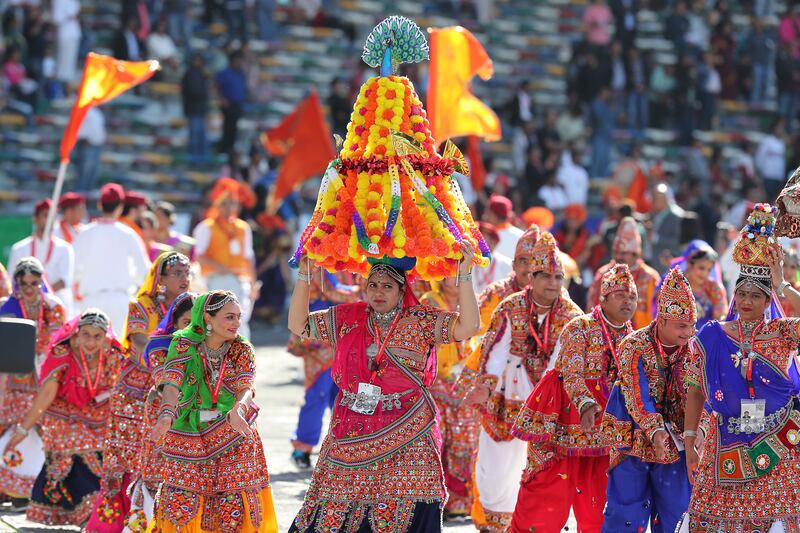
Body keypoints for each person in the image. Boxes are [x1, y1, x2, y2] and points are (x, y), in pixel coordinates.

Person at [286, 247, 480, 532]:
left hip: (409, 429)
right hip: (353, 427)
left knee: (409, 499)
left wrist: (465, 275)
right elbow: (299, 325)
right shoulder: (348, 317)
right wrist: (304, 275)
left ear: (402, 290)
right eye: (373, 285)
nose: (378, 292)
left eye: (387, 286)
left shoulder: (421, 320)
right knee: (338, 501)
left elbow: (468, 326)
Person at [680, 203, 800, 531]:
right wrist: (691, 438)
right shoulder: (713, 335)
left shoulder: (781, 332)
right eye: (742, 293)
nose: (747, 301)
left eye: (756, 296)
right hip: (725, 439)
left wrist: (783, 285)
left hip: (778, 441)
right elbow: (695, 389)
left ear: (768, 301)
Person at [460, 232, 582, 532]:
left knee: (543, 471)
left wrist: (545, 400)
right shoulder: (510, 305)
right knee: (495, 469)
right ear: (531, 277)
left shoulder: (571, 315)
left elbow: (562, 363)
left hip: (549, 402)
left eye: (557, 277)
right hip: (505, 396)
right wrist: (484, 387)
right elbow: (495, 350)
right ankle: (495, 525)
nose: (552, 283)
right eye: (545, 276)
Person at [509, 264, 637, 533]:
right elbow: (572, 372)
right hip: (562, 425)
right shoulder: (580, 327)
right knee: (545, 500)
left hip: (605, 433)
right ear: (602, 299)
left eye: (632, 297)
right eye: (620, 295)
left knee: (598, 504)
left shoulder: (633, 338)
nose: (628, 302)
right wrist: (585, 403)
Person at [148, 290, 279, 532]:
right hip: (190, 432)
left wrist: (239, 409)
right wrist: (166, 414)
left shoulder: (242, 348)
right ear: (208, 318)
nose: (237, 323)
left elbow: (246, 386)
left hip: (232, 431)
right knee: (182, 504)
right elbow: (172, 381)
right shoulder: (183, 343)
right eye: (229, 317)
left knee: (234, 504)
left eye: (239, 317)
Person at [85, 252, 190, 532]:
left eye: (186, 272)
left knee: (162, 456)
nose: (184, 278)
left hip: (171, 387)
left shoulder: (190, 307)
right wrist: (169, 362)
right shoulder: (141, 306)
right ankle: (115, 523)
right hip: (136, 390)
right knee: (125, 456)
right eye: (177, 273)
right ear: (161, 278)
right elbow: (142, 342)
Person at [600, 266, 697, 533]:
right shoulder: (633, 345)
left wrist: (695, 434)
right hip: (631, 432)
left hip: (675, 437)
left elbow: (697, 395)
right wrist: (654, 431)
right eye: (681, 326)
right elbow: (636, 391)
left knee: (677, 509)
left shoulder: (694, 349)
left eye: (691, 325)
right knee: (626, 510)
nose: (688, 333)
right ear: (662, 320)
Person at [5, 309, 122, 526]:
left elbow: (120, 392)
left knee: (105, 452)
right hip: (63, 413)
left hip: (99, 413)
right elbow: (47, 394)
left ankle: (95, 512)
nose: (91, 341)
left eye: (97, 336)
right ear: (76, 334)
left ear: (105, 336)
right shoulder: (63, 353)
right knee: (76, 444)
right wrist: (23, 429)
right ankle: (88, 510)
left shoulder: (113, 356)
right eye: (86, 334)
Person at [0, 258, 65, 506]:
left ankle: (34, 488)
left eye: (34, 283)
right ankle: (8, 489)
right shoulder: (7, 308)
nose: (29, 289)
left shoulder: (54, 307)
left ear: (42, 282)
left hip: (45, 375)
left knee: (39, 428)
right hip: (14, 377)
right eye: (23, 284)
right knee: (9, 426)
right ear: (16, 283)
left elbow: (57, 346)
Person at [128, 292, 195, 529]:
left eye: (198, 323)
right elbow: (165, 382)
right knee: (158, 477)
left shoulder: (208, 346)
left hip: (196, 422)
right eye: (187, 323)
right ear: (174, 323)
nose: (192, 329)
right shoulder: (159, 346)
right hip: (163, 414)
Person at [420, 277, 480, 517]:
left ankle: (457, 502)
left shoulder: (470, 300)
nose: (452, 280)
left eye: (458, 273)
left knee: (464, 442)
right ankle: (433, 501)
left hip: (463, 381)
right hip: (435, 384)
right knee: (436, 442)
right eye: (446, 273)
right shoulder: (429, 303)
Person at [288, 267, 359, 468]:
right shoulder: (318, 264)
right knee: (317, 393)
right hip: (319, 341)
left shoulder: (353, 262)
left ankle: (344, 448)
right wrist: (362, 292)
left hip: (345, 340)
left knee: (344, 397)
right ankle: (302, 448)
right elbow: (333, 291)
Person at [72, 183, 150, 332]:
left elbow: (73, 271)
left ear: (100, 204)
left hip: (90, 300)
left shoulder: (84, 233)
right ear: (120, 206)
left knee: (90, 351)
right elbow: (144, 272)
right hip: (120, 301)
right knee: (119, 351)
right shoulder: (129, 234)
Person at [192, 178, 256, 338]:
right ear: (217, 205)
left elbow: (249, 257)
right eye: (224, 203)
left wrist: (253, 283)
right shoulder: (206, 227)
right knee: (216, 325)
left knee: (241, 323)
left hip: (241, 282)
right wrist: (221, 269)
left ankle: (242, 358)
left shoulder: (243, 228)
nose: (229, 208)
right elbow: (198, 256)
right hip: (214, 281)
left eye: (232, 203)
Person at [588, 216, 660, 329]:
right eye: (616, 252)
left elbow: (657, 313)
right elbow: (592, 306)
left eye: (624, 253)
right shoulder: (603, 274)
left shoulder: (650, 276)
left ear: (635, 254)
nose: (618, 256)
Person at [9, 198, 75, 317]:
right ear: (35, 219)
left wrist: (41, 294)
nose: (50, 221)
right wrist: (32, 295)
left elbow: (65, 280)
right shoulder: (19, 249)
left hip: (55, 310)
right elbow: (12, 281)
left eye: (53, 217)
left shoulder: (65, 248)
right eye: (46, 216)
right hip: (25, 309)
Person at [660, 240, 728, 330]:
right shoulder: (675, 285)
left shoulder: (714, 287)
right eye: (701, 268)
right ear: (689, 264)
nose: (705, 273)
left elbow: (721, 316)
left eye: (709, 270)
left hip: (705, 339)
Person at [216, 49, 247, 153]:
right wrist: (222, 98)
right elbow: (216, 87)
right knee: (228, 127)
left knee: (234, 128)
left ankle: (231, 148)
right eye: (237, 60)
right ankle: (225, 148)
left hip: (238, 104)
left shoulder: (240, 73)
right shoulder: (225, 73)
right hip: (228, 104)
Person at [182, 53, 210, 162]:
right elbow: (193, 91)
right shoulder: (190, 74)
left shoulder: (200, 74)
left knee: (201, 137)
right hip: (193, 109)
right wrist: (204, 92)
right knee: (194, 138)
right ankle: (193, 162)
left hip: (200, 109)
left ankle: (201, 162)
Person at [73, 107, 106, 193]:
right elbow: (79, 127)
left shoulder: (96, 111)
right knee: (85, 171)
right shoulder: (84, 111)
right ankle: (80, 193)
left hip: (96, 145)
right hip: (87, 144)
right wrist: (83, 138)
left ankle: (87, 193)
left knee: (93, 171)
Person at [483, 194, 523, 260]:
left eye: (487, 212)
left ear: (493, 215)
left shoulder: (486, 238)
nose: (484, 216)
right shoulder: (521, 236)